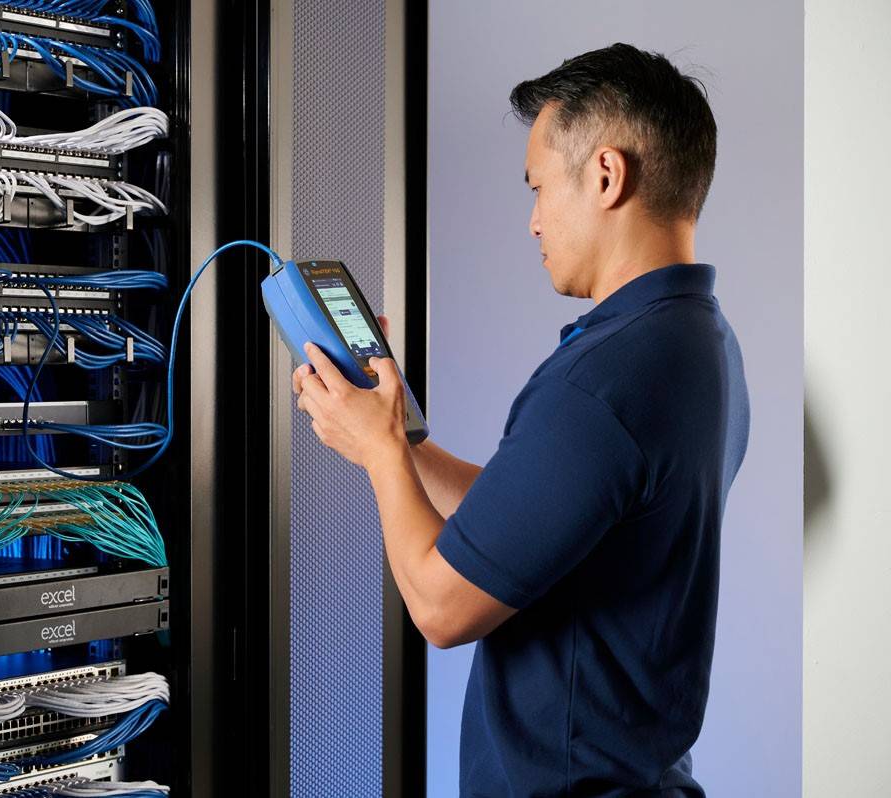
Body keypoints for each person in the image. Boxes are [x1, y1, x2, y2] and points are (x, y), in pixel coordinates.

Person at [293, 43, 750, 796]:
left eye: (538, 188)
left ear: (605, 175)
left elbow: (441, 607)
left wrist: (379, 457)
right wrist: (401, 439)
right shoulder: (701, 342)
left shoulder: (605, 380)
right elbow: (537, 521)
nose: (534, 221)